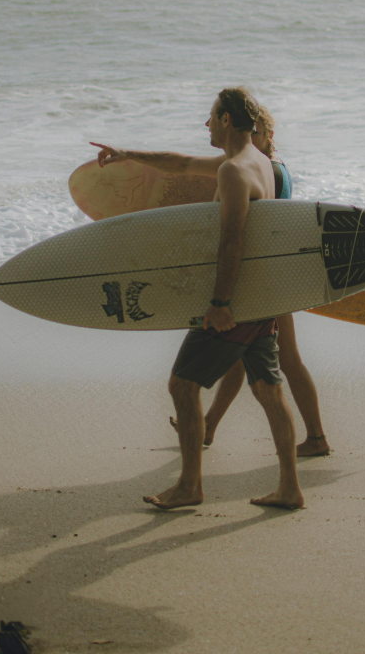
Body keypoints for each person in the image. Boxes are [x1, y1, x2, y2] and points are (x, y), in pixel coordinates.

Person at [91, 87, 304, 511]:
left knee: (183, 385)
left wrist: (221, 304)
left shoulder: (233, 171)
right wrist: (127, 153)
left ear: (226, 120)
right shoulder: (257, 162)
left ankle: (189, 485)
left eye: (211, 116)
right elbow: (181, 164)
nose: (206, 124)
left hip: (236, 301)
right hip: (260, 297)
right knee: (269, 389)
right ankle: (290, 487)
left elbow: (233, 240)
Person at [192, 102, 331, 457]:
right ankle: (209, 426)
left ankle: (316, 437)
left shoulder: (271, 170)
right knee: (243, 357)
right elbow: (185, 164)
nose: (251, 139)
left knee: (287, 361)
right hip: (265, 279)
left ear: (269, 136)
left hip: (271, 280)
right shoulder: (261, 167)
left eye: (258, 134)